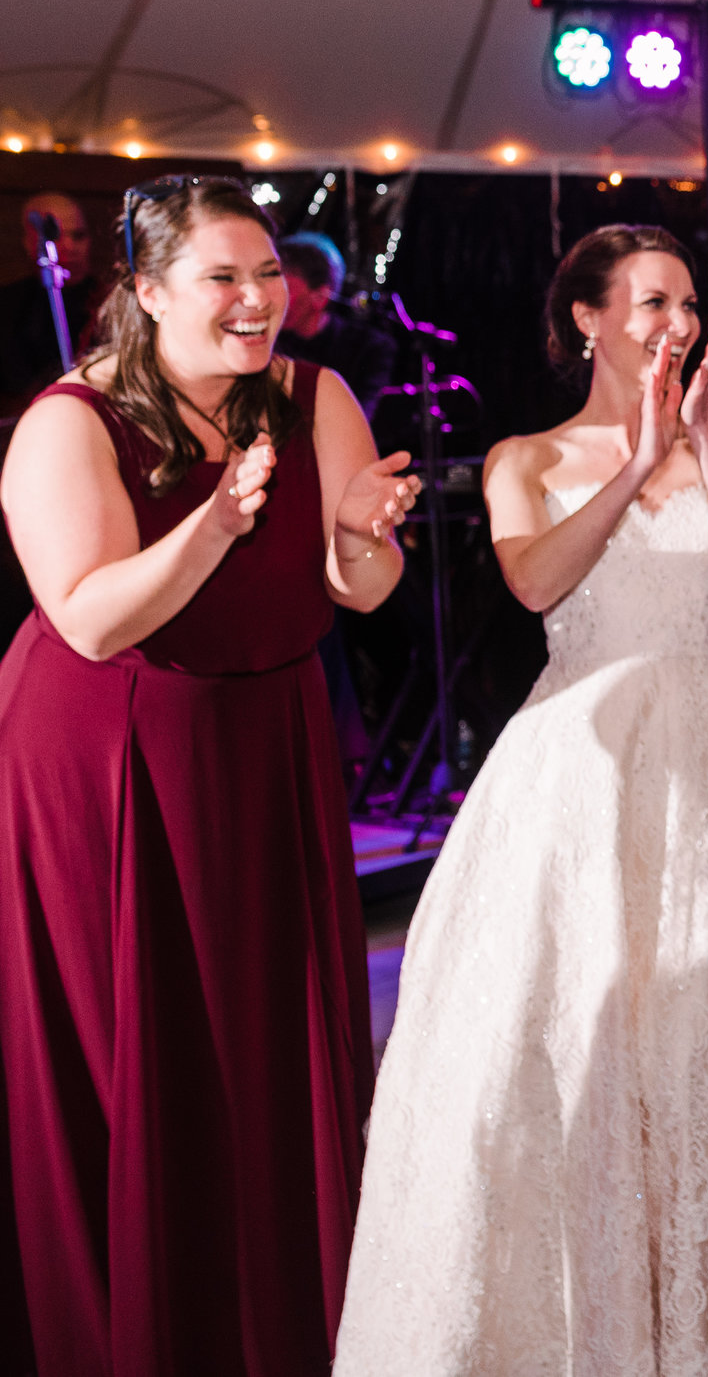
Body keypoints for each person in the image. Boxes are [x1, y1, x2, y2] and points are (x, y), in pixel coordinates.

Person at [333, 225, 708, 1373]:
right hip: (580, 758)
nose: (675, 322)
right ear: (588, 318)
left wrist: (695, 441)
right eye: (650, 301)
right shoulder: (523, 458)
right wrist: (631, 466)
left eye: (687, 302)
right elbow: (535, 580)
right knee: (576, 1014)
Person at [0, 175, 421, 1372]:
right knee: (139, 1046)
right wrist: (218, 521)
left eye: (267, 273)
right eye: (222, 277)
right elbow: (91, 619)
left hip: (267, 740)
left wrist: (359, 537)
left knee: (264, 1046)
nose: (256, 299)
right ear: (145, 290)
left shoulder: (313, 394)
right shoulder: (71, 421)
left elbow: (362, 589)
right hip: (109, 756)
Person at [1, 191, 105, 414]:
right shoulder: (8, 305)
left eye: (78, 235)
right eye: (55, 236)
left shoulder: (108, 301)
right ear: (29, 242)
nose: (69, 246)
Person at [275, 231, 399, 412]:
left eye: (284, 288)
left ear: (320, 297)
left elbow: (360, 417)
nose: (271, 299)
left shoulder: (369, 349)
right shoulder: (270, 342)